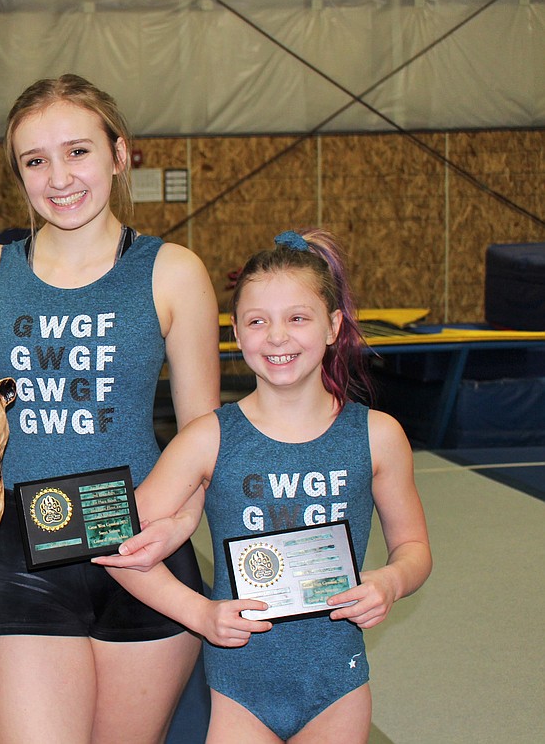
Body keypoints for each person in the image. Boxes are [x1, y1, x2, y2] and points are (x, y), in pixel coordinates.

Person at [0, 74, 220, 743]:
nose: (59, 177)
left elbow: (204, 435)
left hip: (143, 544)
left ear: (119, 154)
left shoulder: (173, 272)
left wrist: (179, 522)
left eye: (77, 151)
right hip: (22, 552)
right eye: (35, 161)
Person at [98, 229, 433, 743]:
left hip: (336, 687)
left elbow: (414, 548)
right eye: (258, 321)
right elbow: (113, 539)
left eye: (297, 318)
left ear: (332, 326)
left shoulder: (378, 436)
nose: (277, 337)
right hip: (239, 692)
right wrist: (200, 613)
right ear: (236, 331)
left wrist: (390, 582)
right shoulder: (207, 438)